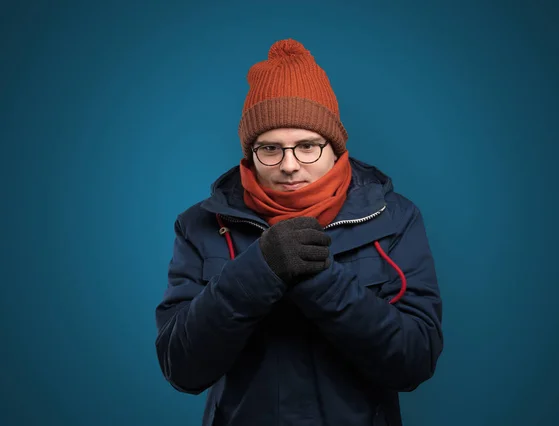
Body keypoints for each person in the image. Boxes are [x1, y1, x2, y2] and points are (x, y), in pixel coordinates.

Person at [155, 38, 443, 426]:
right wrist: (260, 270)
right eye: (270, 149)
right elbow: (182, 368)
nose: (289, 165)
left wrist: (321, 280)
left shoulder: (395, 218)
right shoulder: (199, 225)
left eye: (307, 146)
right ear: (249, 153)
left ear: (334, 146)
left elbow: (414, 360)